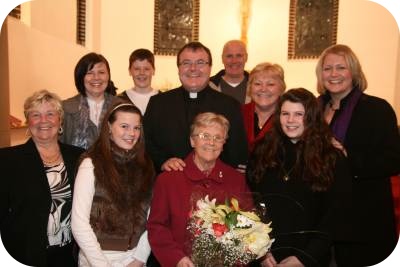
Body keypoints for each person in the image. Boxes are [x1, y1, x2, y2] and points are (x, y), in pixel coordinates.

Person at [247, 88, 352, 267]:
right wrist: (260, 250)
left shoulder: (331, 158)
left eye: (298, 114)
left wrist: (305, 257)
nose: (290, 120)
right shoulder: (262, 151)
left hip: (311, 257)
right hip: (265, 256)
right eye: (285, 113)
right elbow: (250, 203)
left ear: (311, 117)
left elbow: (336, 215)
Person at [315, 44, 400, 266]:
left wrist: (347, 154)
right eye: (327, 68)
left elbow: (394, 160)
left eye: (340, 67)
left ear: (353, 71)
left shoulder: (377, 109)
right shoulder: (314, 108)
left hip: (362, 217)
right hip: (321, 212)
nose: (333, 74)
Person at [147, 112, 250, 267]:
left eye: (218, 138)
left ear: (224, 144)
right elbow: (157, 227)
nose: (211, 142)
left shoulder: (236, 179)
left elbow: (248, 223)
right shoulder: (168, 180)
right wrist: (177, 259)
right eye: (204, 136)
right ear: (192, 141)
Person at [0, 90, 84, 266]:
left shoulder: (79, 157)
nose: (43, 120)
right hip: (25, 255)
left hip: (70, 255)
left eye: (50, 114)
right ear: (28, 121)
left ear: (60, 120)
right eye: (35, 115)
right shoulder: (8, 160)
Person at [71, 102, 155, 266]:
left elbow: (153, 218)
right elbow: (79, 223)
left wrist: (139, 258)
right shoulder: (91, 164)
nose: (131, 133)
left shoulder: (146, 165)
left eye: (136, 128)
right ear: (109, 127)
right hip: (97, 257)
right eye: (124, 126)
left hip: (135, 258)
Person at [143, 41, 248, 173]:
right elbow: (145, 143)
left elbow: (237, 152)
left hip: (215, 186)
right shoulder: (158, 103)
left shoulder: (229, 106)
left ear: (210, 68)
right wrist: (163, 162)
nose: (193, 68)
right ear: (178, 68)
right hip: (169, 182)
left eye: (200, 63)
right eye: (186, 63)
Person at [60, 52, 119, 149]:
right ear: (81, 77)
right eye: (90, 73)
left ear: (108, 76)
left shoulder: (120, 106)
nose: (96, 78)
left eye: (101, 72)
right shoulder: (65, 108)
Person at [242, 62, 286, 152]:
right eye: (257, 84)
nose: (263, 89)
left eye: (270, 84)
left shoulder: (288, 117)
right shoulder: (238, 113)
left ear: (281, 89)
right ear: (250, 88)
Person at [118, 48, 160, 115]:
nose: (142, 73)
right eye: (137, 69)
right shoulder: (119, 100)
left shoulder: (163, 99)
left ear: (153, 71)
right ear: (130, 71)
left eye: (146, 69)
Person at [209, 39, 250, 104]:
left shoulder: (256, 86)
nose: (234, 61)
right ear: (222, 58)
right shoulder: (208, 87)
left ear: (246, 57)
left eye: (239, 56)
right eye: (229, 56)